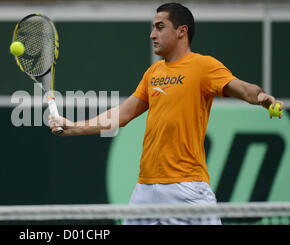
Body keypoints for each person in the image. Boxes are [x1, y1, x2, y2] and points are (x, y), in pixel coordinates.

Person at [48, 2, 285, 225]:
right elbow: (122, 114)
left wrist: (261, 97)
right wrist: (74, 126)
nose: (152, 34)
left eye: (160, 27)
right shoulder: (153, 73)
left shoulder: (204, 66)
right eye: (153, 28)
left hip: (187, 186)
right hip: (146, 188)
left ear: (182, 31)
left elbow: (242, 88)